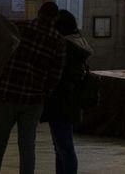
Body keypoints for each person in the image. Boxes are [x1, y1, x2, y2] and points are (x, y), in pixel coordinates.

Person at [0, 1, 67, 174]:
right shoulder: (59, 42)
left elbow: (3, 55)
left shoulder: (20, 29)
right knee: (27, 147)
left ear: (38, 13)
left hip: (8, 94)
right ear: (56, 17)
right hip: (33, 101)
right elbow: (55, 76)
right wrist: (44, 92)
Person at [41, 10, 93, 174]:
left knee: (64, 147)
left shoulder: (65, 47)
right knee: (60, 146)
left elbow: (60, 75)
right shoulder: (78, 44)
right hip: (70, 101)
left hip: (61, 102)